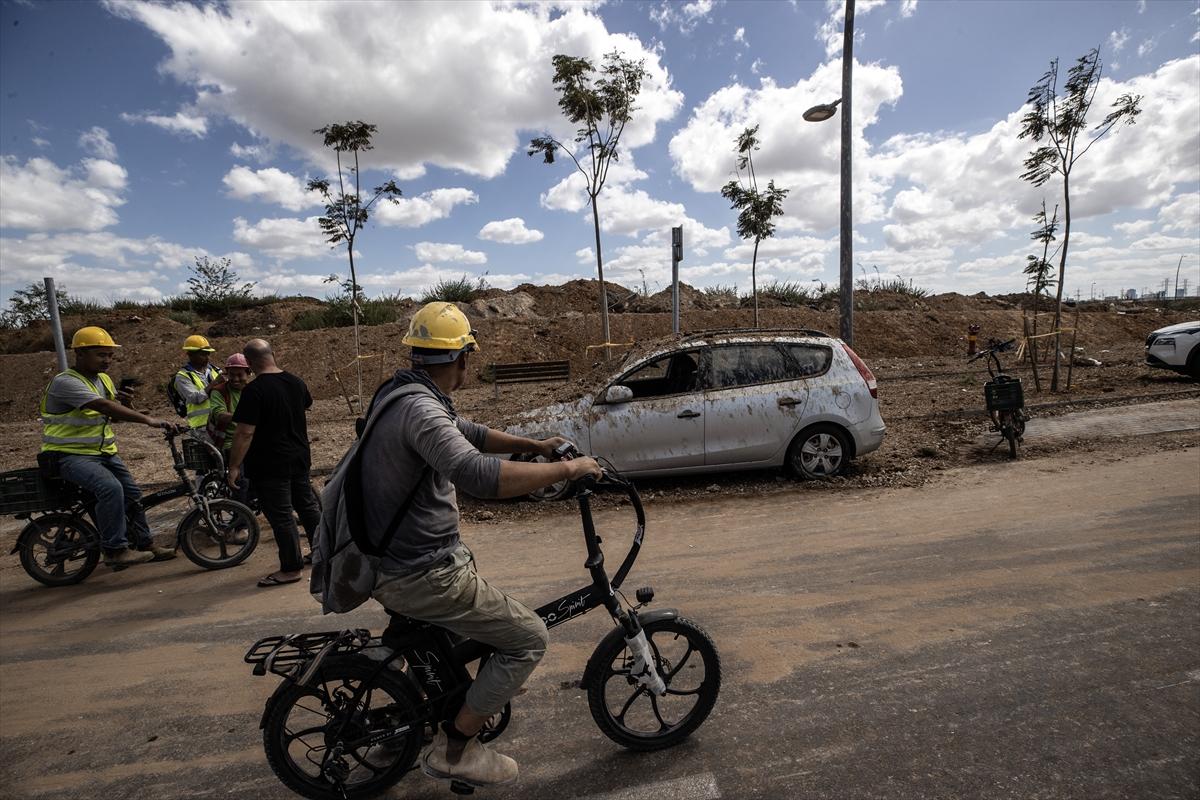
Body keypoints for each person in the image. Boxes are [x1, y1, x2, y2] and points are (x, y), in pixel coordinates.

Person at [360, 302, 601, 788]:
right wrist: (568, 470)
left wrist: (534, 446)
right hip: (419, 570)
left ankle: (414, 720)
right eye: (468, 356)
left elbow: (467, 433)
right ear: (462, 358)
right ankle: (456, 748)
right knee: (528, 638)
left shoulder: (404, 393)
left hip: (395, 557)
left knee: (448, 649)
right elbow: (474, 475)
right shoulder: (421, 409)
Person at [39, 326, 180, 567]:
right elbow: (103, 406)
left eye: (110, 355)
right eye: (101, 354)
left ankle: (144, 544)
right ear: (80, 354)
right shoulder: (65, 382)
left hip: (104, 454)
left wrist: (128, 403)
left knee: (133, 495)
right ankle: (115, 550)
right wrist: (147, 420)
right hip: (69, 456)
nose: (107, 360)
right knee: (110, 489)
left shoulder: (103, 379)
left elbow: (113, 414)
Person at [227, 339, 321, 587]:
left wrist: (234, 466)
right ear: (272, 354)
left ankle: (291, 569)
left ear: (248, 362)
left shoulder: (254, 391)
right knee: (308, 508)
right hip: (299, 457)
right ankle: (325, 554)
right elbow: (306, 406)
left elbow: (244, 433)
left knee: (281, 516)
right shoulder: (296, 382)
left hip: (271, 464)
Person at [207, 353, 255, 535]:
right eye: (231, 374)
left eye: (239, 375)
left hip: (250, 439)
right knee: (240, 481)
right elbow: (219, 414)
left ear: (248, 372)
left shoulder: (252, 390)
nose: (235, 379)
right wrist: (246, 415)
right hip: (229, 443)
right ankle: (240, 526)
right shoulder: (219, 391)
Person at [175, 334, 221, 430]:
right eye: (203, 354)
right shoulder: (183, 376)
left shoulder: (215, 370)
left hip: (220, 421)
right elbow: (194, 398)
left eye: (208, 353)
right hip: (201, 425)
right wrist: (213, 384)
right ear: (190, 354)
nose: (207, 357)